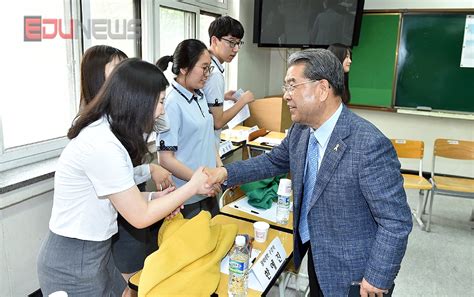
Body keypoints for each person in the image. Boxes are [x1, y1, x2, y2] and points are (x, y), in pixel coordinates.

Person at [205, 49, 412, 296]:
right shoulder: (301, 130)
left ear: (322, 89)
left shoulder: (368, 144)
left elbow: (396, 221)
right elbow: (272, 162)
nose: (285, 95)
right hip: (317, 252)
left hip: (356, 273)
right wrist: (225, 173)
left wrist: (378, 277)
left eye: (293, 86)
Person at [37, 58, 214, 296]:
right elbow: (139, 216)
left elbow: (121, 196)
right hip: (73, 262)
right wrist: (191, 187)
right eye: (160, 101)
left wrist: (155, 196)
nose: (162, 109)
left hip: (97, 252)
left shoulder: (108, 135)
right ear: (139, 101)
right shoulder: (102, 145)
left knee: (126, 292)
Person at [78, 45, 174, 282]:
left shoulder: (121, 121)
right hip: (110, 221)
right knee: (127, 275)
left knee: (130, 274)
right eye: (116, 72)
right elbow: (117, 180)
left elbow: (163, 125)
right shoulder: (99, 134)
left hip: (127, 202)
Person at [156, 39, 222, 219]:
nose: (207, 74)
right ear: (184, 68)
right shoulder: (171, 104)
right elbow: (165, 159)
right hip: (187, 197)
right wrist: (199, 181)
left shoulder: (199, 96)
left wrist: (220, 169)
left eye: (210, 68)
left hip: (208, 188)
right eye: (204, 67)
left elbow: (208, 137)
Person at [204, 16, 255, 144]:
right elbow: (218, 122)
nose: (236, 49)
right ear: (214, 40)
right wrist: (242, 101)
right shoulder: (214, 74)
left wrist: (222, 96)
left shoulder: (207, 65)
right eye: (231, 42)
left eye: (238, 43)